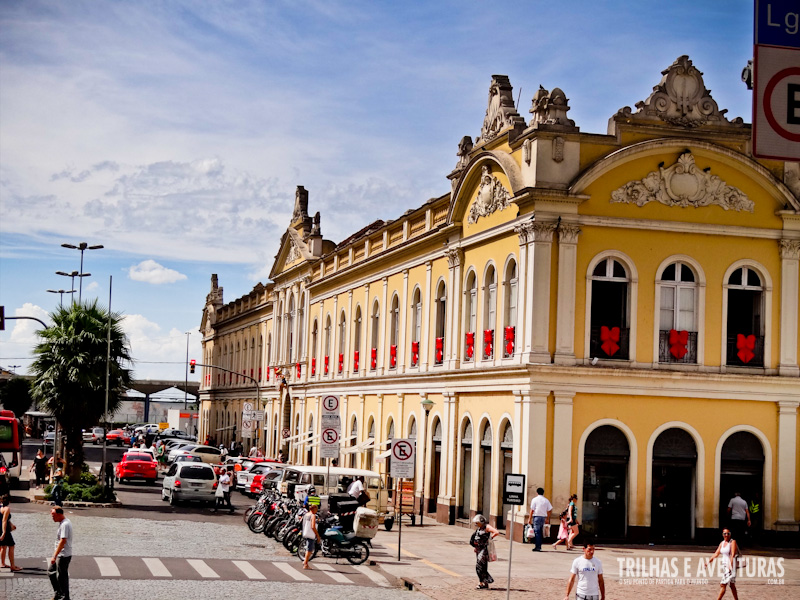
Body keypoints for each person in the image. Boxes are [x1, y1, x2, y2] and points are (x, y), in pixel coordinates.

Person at [706, 528, 740, 600]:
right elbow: (716, 553)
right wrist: (708, 562)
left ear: (730, 534)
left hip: (730, 566)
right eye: (725, 533)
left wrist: (730, 566)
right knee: (732, 585)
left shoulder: (732, 542)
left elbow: (732, 554)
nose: (726, 535)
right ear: (722, 534)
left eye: (728, 533)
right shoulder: (722, 543)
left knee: (723, 584)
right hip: (724, 566)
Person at [49, 507, 73, 600]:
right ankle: (61, 594)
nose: (52, 518)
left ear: (59, 514)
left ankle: (62, 595)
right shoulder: (63, 523)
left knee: (59, 575)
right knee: (60, 575)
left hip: (63, 555)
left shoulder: (65, 524)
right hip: (62, 554)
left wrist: (54, 556)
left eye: (53, 516)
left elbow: (63, 541)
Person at [470, 514, 498, 590]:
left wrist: (490, 538)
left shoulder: (487, 527)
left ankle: (481, 582)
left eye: (477, 522)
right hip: (478, 549)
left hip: (484, 549)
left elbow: (496, 532)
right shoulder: (479, 528)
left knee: (479, 566)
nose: (476, 524)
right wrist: (475, 547)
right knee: (483, 566)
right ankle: (484, 583)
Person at [528, 487, 553, 552]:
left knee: (537, 532)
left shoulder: (535, 500)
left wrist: (529, 518)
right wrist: (547, 518)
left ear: (537, 493)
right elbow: (550, 509)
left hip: (536, 517)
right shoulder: (546, 500)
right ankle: (539, 545)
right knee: (540, 531)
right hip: (543, 517)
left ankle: (538, 546)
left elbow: (532, 510)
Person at [0, 495, 21, 571]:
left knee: (3, 546)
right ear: (9, 501)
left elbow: (3, 519)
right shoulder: (7, 509)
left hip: (0, 527)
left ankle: (2, 563)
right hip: (4, 529)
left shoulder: (0, 507)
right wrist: (4, 532)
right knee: (11, 546)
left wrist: (11, 525)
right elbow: (4, 520)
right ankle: (12, 566)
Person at [301, 496, 321, 569]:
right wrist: (317, 535)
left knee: (308, 548)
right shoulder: (313, 515)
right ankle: (305, 563)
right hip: (310, 534)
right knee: (309, 549)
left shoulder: (306, 514)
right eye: (316, 509)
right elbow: (313, 526)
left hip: (305, 532)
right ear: (314, 509)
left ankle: (305, 562)